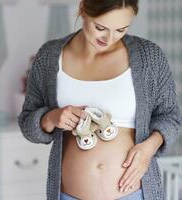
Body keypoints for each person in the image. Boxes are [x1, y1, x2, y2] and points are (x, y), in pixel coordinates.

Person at [18, 0, 182, 199]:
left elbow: (171, 118)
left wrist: (149, 148)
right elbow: (27, 123)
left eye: (121, 29)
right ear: (83, 9)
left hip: (135, 194)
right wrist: (51, 118)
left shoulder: (149, 56)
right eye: (100, 27)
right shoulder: (50, 56)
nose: (109, 38)